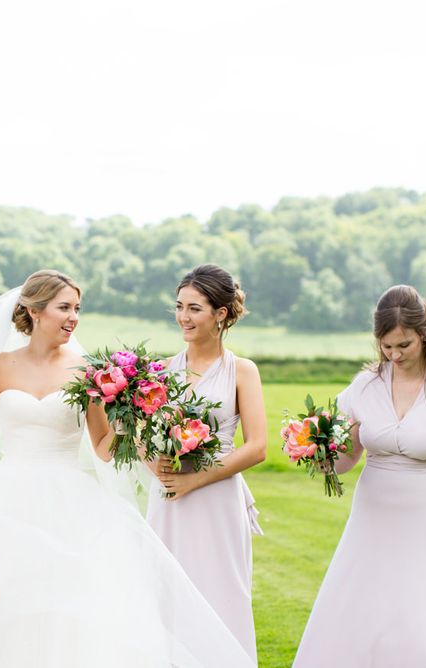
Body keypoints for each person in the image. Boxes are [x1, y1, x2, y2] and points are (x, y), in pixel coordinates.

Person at [0, 269, 255, 667]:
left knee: (73, 609)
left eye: (77, 308)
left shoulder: (88, 370)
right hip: (5, 495)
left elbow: (102, 447)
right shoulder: (0, 367)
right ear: (33, 310)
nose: (73, 317)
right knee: (4, 600)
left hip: (69, 498)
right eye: (65, 307)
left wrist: (127, 415)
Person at [293, 285, 426, 667]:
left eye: (403, 345)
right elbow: (346, 458)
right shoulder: (365, 386)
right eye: (386, 346)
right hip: (372, 517)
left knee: (423, 612)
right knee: (363, 605)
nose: (394, 355)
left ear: (424, 335)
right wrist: (316, 453)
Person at [149, 264, 267, 662]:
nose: (183, 316)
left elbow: (257, 447)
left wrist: (195, 481)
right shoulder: (160, 372)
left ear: (221, 314)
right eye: (179, 306)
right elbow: (141, 437)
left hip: (217, 496)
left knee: (223, 590)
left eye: (195, 308)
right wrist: (159, 470)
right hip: (168, 499)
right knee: (169, 590)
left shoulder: (242, 371)